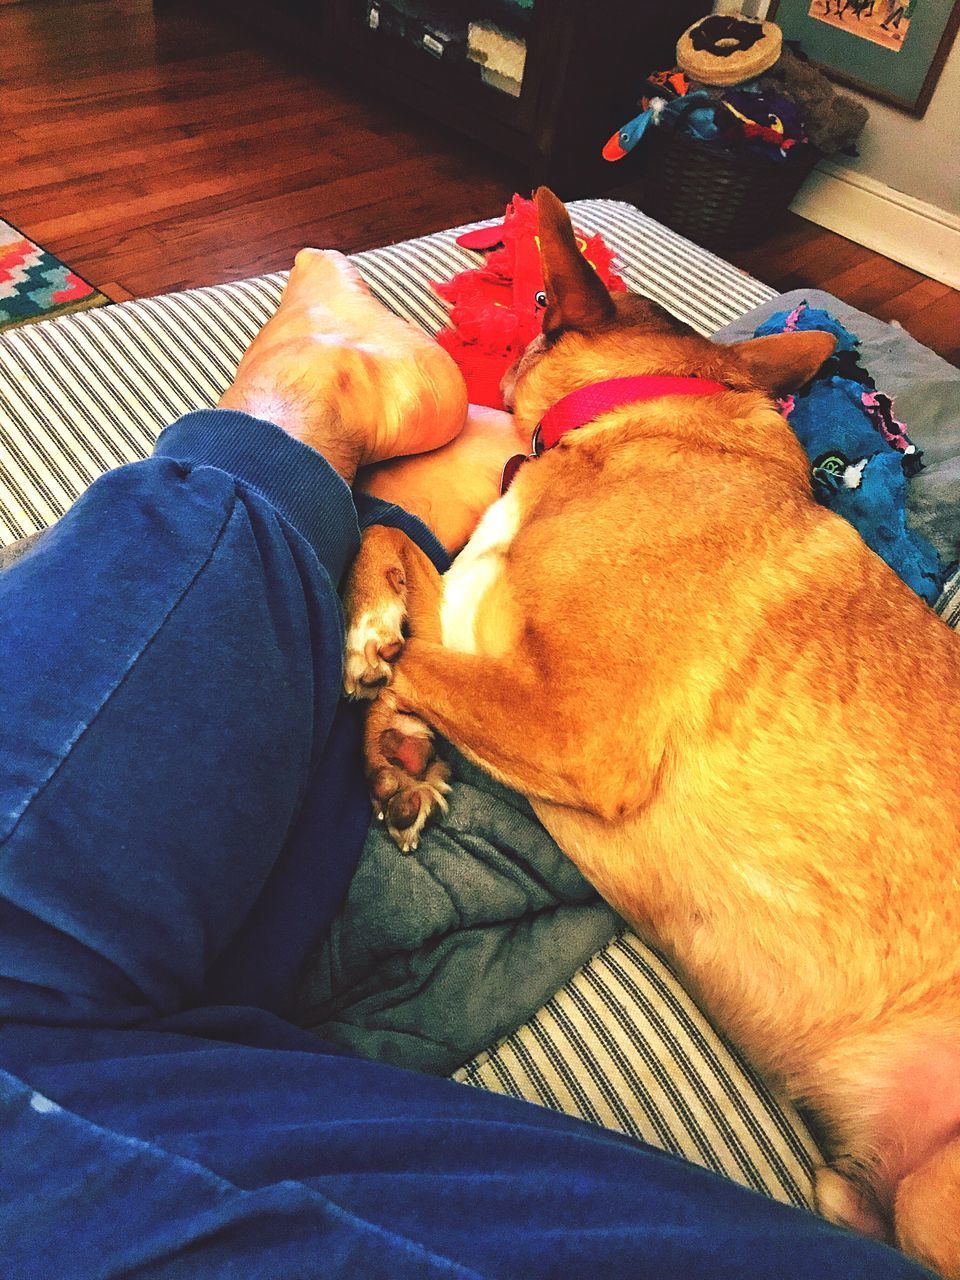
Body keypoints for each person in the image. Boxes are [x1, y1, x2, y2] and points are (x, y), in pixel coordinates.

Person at [0, 251, 932, 1279]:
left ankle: (320, 406)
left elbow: (586, 748)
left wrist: (404, 649)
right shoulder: (686, 483)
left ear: (560, 338)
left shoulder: (695, 493)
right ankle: (369, 492)